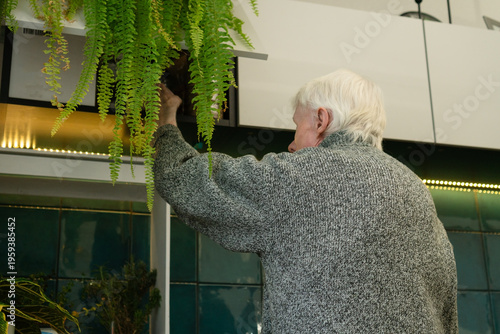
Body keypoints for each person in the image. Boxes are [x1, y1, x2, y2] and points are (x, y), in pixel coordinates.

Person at [153, 69, 458, 333]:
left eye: (297, 126)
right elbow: (446, 303)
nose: (291, 143)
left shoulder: (302, 176)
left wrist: (166, 119)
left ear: (322, 120)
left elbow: (183, 179)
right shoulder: (415, 189)